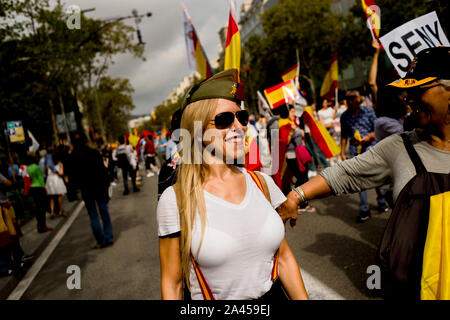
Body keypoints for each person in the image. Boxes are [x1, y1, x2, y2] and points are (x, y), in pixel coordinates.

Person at [284, 46, 450, 300]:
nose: (409, 98)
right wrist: (296, 196)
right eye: (407, 91)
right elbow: (346, 174)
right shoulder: (399, 147)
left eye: (418, 89)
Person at [157, 69, 308, 300]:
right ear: (197, 131)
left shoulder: (262, 183)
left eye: (242, 117)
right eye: (225, 120)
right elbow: (173, 283)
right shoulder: (175, 199)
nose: (239, 126)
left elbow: (284, 258)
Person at [340, 89, 388, 222]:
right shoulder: (344, 116)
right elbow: (344, 135)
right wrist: (342, 152)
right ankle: (364, 209)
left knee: (376, 175)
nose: (351, 101)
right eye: (348, 98)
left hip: (371, 147)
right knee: (359, 179)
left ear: (359, 99)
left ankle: (382, 200)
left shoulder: (368, 111)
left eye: (353, 98)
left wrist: (369, 137)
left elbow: (377, 129)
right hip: (355, 149)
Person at [69, 132, 114, 249]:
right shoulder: (93, 152)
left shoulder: (73, 156)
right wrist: (107, 185)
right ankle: (109, 237)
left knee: (93, 214)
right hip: (99, 187)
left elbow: (73, 176)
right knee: (104, 211)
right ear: (85, 140)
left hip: (86, 189)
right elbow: (102, 171)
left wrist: (75, 189)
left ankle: (100, 240)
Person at [26, 153, 53, 233]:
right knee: (42, 208)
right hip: (39, 188)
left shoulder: (28, 168)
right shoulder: (37, 168)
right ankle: (43, 226)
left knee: (38, 208)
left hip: (33, 188)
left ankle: (39, 226)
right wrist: (46, 190)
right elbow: (41, 180)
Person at [45, 153, 67, 218]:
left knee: (51, 197)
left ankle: (52, 212)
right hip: (57, 179)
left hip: (49, 179)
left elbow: (46, 172)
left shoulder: (48, 165)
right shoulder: (60, 164)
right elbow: (61, 173)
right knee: (59, 196)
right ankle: (60, 211)